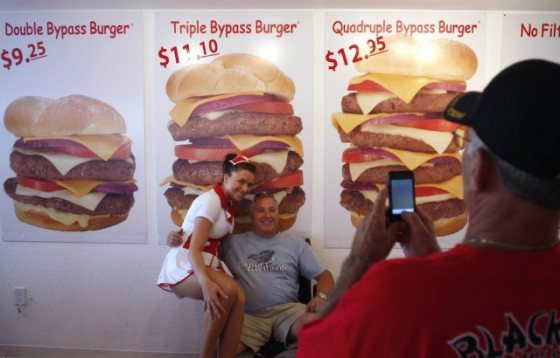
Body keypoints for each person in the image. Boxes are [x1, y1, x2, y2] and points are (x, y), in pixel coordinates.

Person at [297, 59, 560, 357]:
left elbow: (313, 350)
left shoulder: (394, 292)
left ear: (479, 170)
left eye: (465, 143)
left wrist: (358, 263)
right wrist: (432, 260)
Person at [168, 192, 334, 355]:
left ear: (278, 214)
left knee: (323, 328)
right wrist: (176, 238)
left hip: (288, 313)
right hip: (248, 316)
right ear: (252, 215)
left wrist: (321, 297)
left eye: (272, 210)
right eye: (261, 210)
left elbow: (325, 276)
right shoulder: (231, 242)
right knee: (221, 351)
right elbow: (200, 245)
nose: (267, 215)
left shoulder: (297, 245)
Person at [157, 153, 256, 358]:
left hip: (207, 262)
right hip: (187, 261)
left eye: (249, 184)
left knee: (240, 297)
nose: (245, 189)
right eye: (241, 181)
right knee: (226, 291)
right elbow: (194, 249)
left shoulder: (226, 205)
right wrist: (206, 283)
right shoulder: (211, 201)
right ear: (226, 177)